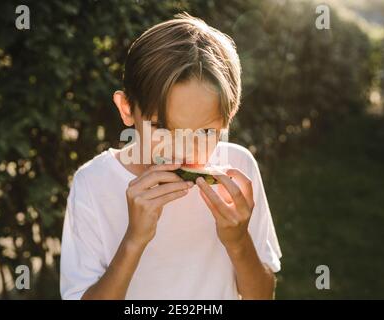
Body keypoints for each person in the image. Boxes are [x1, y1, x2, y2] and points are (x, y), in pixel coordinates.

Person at [60, 12, 281, 300]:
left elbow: (262, 295)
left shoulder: (238, 170)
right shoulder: (92, 183)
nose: (183, 150)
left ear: (228, 118)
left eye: (204, 132)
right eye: (162, 127)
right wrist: (134, 239)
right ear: (127, 109)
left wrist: (238, 241)